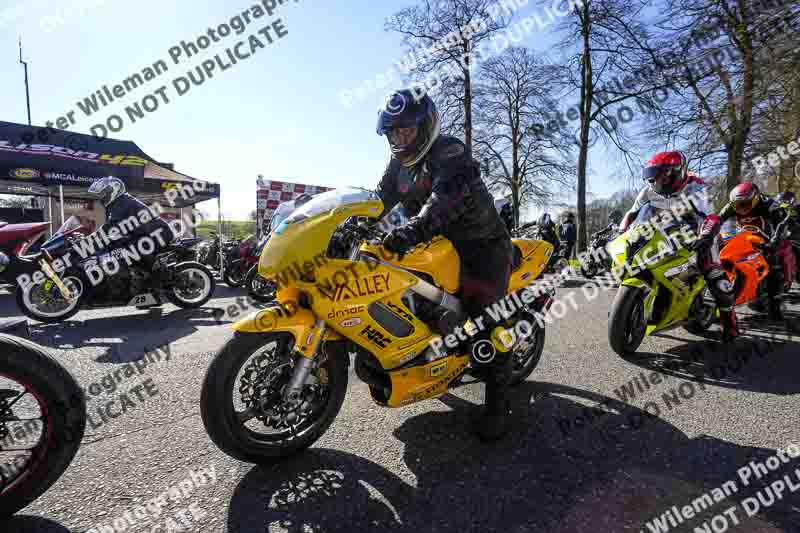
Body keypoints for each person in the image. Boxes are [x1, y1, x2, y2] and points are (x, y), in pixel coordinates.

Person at [375, 89, 515, 441]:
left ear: (424, 128)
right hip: (435, 244)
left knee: (485, 321)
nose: (399, 138)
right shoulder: (399, 165)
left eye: (405, 130)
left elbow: (441, 203)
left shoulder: (451, 153)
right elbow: (379, 200)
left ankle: (499, 404)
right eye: (393, 132)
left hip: (480, 245)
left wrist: (408, 232)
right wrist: (352, 225)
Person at [620, 151, 740, 342]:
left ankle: (730, 325)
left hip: (697, 232)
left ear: (677, 172)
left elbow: (710, 216)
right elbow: (632, 213)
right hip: (664, 231)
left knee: (716, 278)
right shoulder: (649, 190)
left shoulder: (696, 188)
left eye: (662, 176)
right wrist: (622, 231)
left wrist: (706, 236)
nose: (656, 182)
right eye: (653, 176)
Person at [716, 182, 797, 321]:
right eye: (737, 205)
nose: (741, 208)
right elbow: (717, 220)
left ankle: (775, 304)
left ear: (755, 198)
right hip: (746, 236)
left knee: (773, 262)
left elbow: (781, 224)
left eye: (745, 204)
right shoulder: (733, 204)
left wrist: (774, 242)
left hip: (769, 237)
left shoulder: (769, 205)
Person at [84, 176, 175, 269]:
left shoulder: (123, 202)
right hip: (143, 233)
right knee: (117, 246)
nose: (102, 197)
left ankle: (157, 274)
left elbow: (110, 226)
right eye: (101, 194)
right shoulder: (114, 205)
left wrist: (89, 239)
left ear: (114, 190)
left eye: (105, 193)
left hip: (159, 233)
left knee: (131, 250)